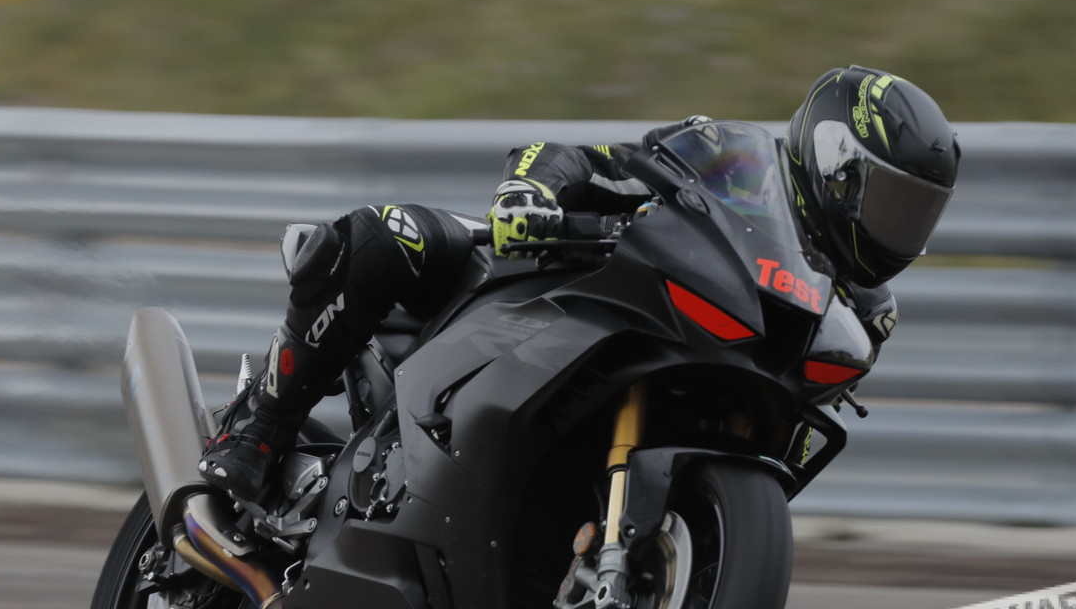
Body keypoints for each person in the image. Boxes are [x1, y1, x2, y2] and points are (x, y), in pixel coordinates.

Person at [197, 65, 960, 505]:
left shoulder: (860, 311)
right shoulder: (734, 160)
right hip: (567, 286)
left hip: (685, 396)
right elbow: (588, 159)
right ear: (834, 166)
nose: (898, 230)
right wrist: (532, 195)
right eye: (891, 203)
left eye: (916, 214)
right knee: (389, 234)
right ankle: (257, 427)